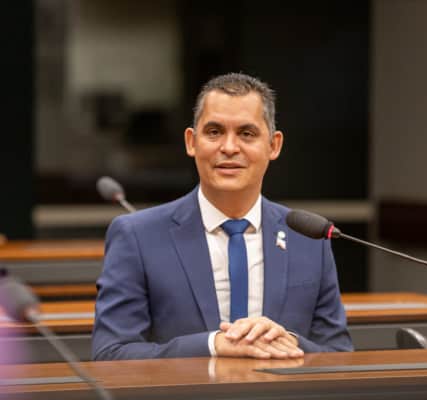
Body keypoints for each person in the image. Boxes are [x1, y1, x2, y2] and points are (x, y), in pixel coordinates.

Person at [92, 72, 353, 360]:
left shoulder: (308, 237)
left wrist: (289, 341)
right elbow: (110, 354)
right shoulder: (138, 236)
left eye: (247, 134)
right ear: (191, 142)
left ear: (274, 145)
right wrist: (212, 345)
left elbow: (339, 355)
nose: (229, 147)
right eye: (214, 132)